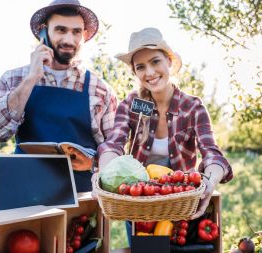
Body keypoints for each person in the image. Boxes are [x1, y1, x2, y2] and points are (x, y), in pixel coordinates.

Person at [93, 27, 233, 243]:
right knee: (147, 250)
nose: (149, 72)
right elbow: (113, 144)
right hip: (141, 204)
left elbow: (212, 154)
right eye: (141, 67)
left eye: (155, 61)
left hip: (178, 202)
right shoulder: (134, 104)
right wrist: (104, 175)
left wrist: (210, 182)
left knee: (174, 249)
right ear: (135, 72)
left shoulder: (192, 107)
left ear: (169, 61)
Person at [0, 0, 117, 192]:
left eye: (76, 32)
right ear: (44, 32)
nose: (69, 39)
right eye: (61, 30)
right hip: (25, 195)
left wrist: (93, 162)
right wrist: (31, 79)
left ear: (84, 35)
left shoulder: (99, 89)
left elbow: (114, 149)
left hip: (82, 199)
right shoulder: (14, 78)